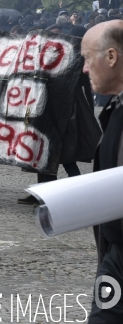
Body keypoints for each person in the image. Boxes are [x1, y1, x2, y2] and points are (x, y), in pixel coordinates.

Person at [78, 19, 123, 323]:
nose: (83, 68)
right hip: (116, 252)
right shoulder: (115, 109)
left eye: (86, 58)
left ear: (111, 57)